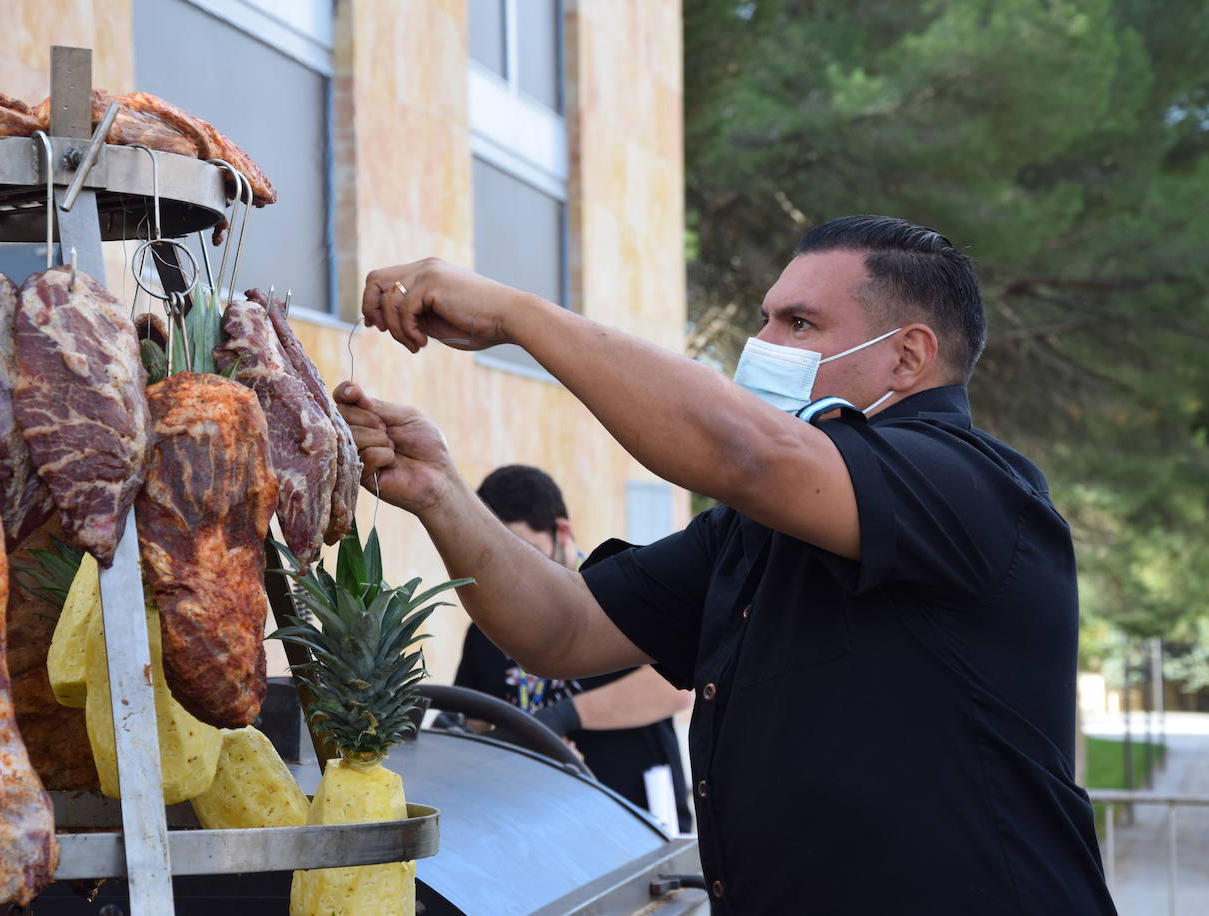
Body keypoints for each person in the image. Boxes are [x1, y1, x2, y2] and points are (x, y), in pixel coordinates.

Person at [335, 215, 1116, 914]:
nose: (764, 346)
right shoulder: (755, 531)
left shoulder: (970, 483)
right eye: (766, 319)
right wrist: (438, 491)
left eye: (800, 322)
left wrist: (517, 313)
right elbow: (563, 630)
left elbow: (743, 453)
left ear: (907, 357)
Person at [451, 464, 694, 833]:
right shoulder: (486, 628)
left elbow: (674, 692)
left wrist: (562, 717)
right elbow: (474, 717)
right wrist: (503, 742)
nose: (510, 570)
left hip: (639, 827)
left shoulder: (616, 589)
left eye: (525, 550)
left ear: (561, 532)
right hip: (538, 830)